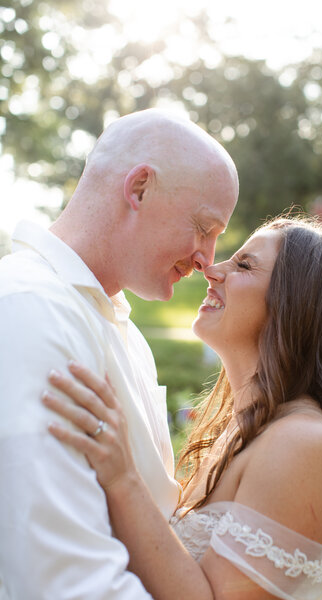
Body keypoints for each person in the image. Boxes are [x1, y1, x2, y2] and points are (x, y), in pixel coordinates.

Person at [43, 216, 322, 600]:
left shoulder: (306, 442)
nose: (212, 270)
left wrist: (122, 478)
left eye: (244, 265)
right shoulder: (250, 432)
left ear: (297, 305)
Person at [0, 108, 239, 599]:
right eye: (203, 227)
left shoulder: (121, 329)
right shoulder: (30, 311)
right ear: (140, 189)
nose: (207, 260)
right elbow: (65, 580)